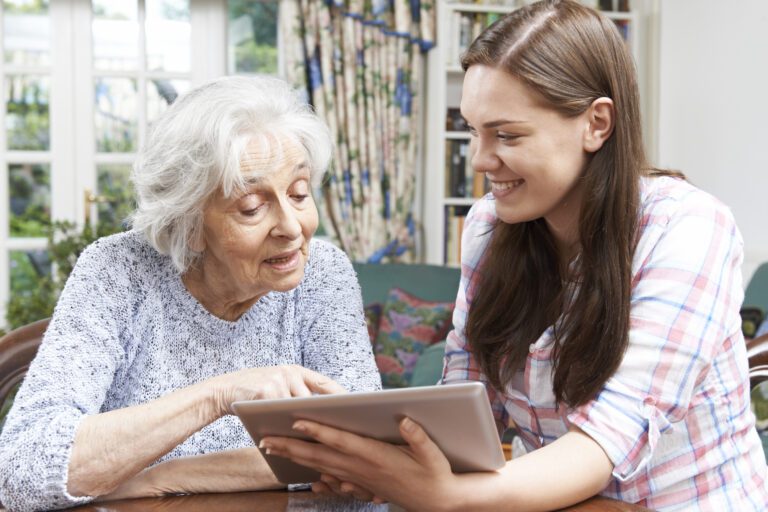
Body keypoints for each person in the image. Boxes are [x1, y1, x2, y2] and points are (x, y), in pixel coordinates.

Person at [259, 1, 768, 510]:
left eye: (506, 135)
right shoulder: (488, 225)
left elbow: (608, 440)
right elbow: (463, 400)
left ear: (597, 123)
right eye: (474, 131)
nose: (480, 160)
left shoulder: (688, 229)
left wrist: (446, 495)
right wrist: (380, 463)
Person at [0, 76, 381, 512]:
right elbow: (22, 469)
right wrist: (221, 394)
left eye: (299, 193)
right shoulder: (117, 271)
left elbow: (361, 452)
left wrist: (159, 478)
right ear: (190, 226)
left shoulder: (323, 272)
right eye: (253, 208)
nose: (292, 228)